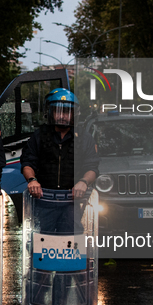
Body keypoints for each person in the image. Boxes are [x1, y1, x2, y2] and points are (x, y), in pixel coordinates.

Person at [20, 88, 99, 233]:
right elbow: (27, 162)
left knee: (71, 240)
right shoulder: (39, 135)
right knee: (39, 242)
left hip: (72, 202)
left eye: (67, 112)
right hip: (44, 201)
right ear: (51, 113)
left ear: (75, 114)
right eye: (58, 111)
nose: (63, 116)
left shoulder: (84, 138)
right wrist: (32, 180)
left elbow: (92, 167)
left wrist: (84, 182)